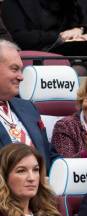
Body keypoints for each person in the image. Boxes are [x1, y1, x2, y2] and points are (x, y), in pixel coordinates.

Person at [0, 40, 58, 168]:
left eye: (21, 70)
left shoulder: (29, 107)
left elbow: (49, 155)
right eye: (15, 69)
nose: (21, 77)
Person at [1, 0, 87, 53]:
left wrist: (81, 30)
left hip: (86, 58)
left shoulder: (83, 2)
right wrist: (61, 38)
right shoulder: (15, 2)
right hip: (41, 61)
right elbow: (20, 37)